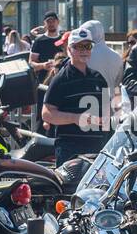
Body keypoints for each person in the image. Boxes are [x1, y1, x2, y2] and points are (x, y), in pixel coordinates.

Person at [43, 26, 110, 165]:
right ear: (69, 50)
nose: (84, 50)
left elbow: (107, 112)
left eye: (87, 46)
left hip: (98, 148)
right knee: (71, 187)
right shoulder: (61, 79)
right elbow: (47, 114)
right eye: (78, 47)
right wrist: (76, 118)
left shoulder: (98, 77)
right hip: (71, 150)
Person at [77, 19, 122, 95]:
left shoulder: (83, 55)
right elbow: (117, 82)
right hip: (109, 99)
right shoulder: (116, 56)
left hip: (86, 99)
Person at [28, 12, 65, 78]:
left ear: (58, 22)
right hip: (44, 80)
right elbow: (31, 63)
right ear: (44, 23)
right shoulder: (39, 41)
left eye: (53, 21)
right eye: (48, 21)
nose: (51, 23)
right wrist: (43, 65)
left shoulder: (63, 39)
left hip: (62, 78)